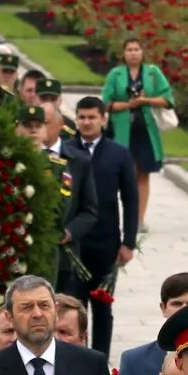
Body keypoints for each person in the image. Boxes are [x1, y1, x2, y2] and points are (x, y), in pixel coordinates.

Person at [56, 97, 138, 358]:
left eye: (92, 117)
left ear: (103, 119)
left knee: (102, 306)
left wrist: (129, 242)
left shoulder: (119, 153)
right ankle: (72, 355)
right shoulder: (64, 151)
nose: (86, 122)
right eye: (82, 117)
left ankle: (100, 358)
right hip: (72, 243)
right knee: (71, 305)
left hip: (105, 242)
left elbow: (130, 198)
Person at [101, 38, 174, 225]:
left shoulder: (152, 73)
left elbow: (167, 99)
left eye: (136, 49)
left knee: (143, 174)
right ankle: (122, 216)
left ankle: (139, 219)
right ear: (123, 53)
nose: (133, 53)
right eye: (129, 49)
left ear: (142, 52)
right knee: (124, 175)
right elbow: (106, 103)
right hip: (122, 131)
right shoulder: (115, 74)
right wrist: (127, 104)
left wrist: (145, 101)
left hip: (145, 131)